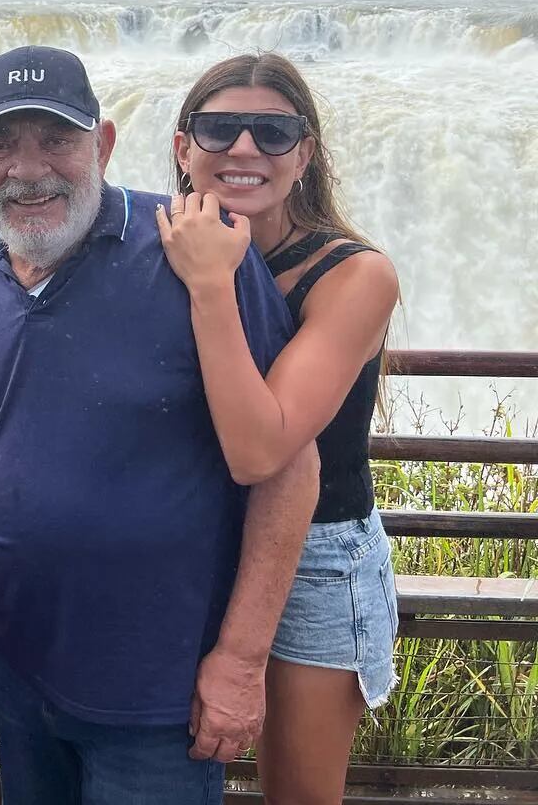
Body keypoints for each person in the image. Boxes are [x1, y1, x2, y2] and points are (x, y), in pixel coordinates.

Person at [0, 46, 319, 805]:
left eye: (58, 140)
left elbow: (289, 467)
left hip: (160, 697)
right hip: (20, 669)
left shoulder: (196, 256)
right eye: (2, 143)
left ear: (103, 145)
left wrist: (241, 660)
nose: (29, 168)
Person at [158, 53, 401, 804]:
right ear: (182, 145)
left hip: (317, 559)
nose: (243, 149)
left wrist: (208, 284)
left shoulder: (356, 277)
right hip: (194, 542)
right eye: (220, 128)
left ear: (306, 152)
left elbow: (263, 447)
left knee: (295, 792)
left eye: (273, 131)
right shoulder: (156, 241)